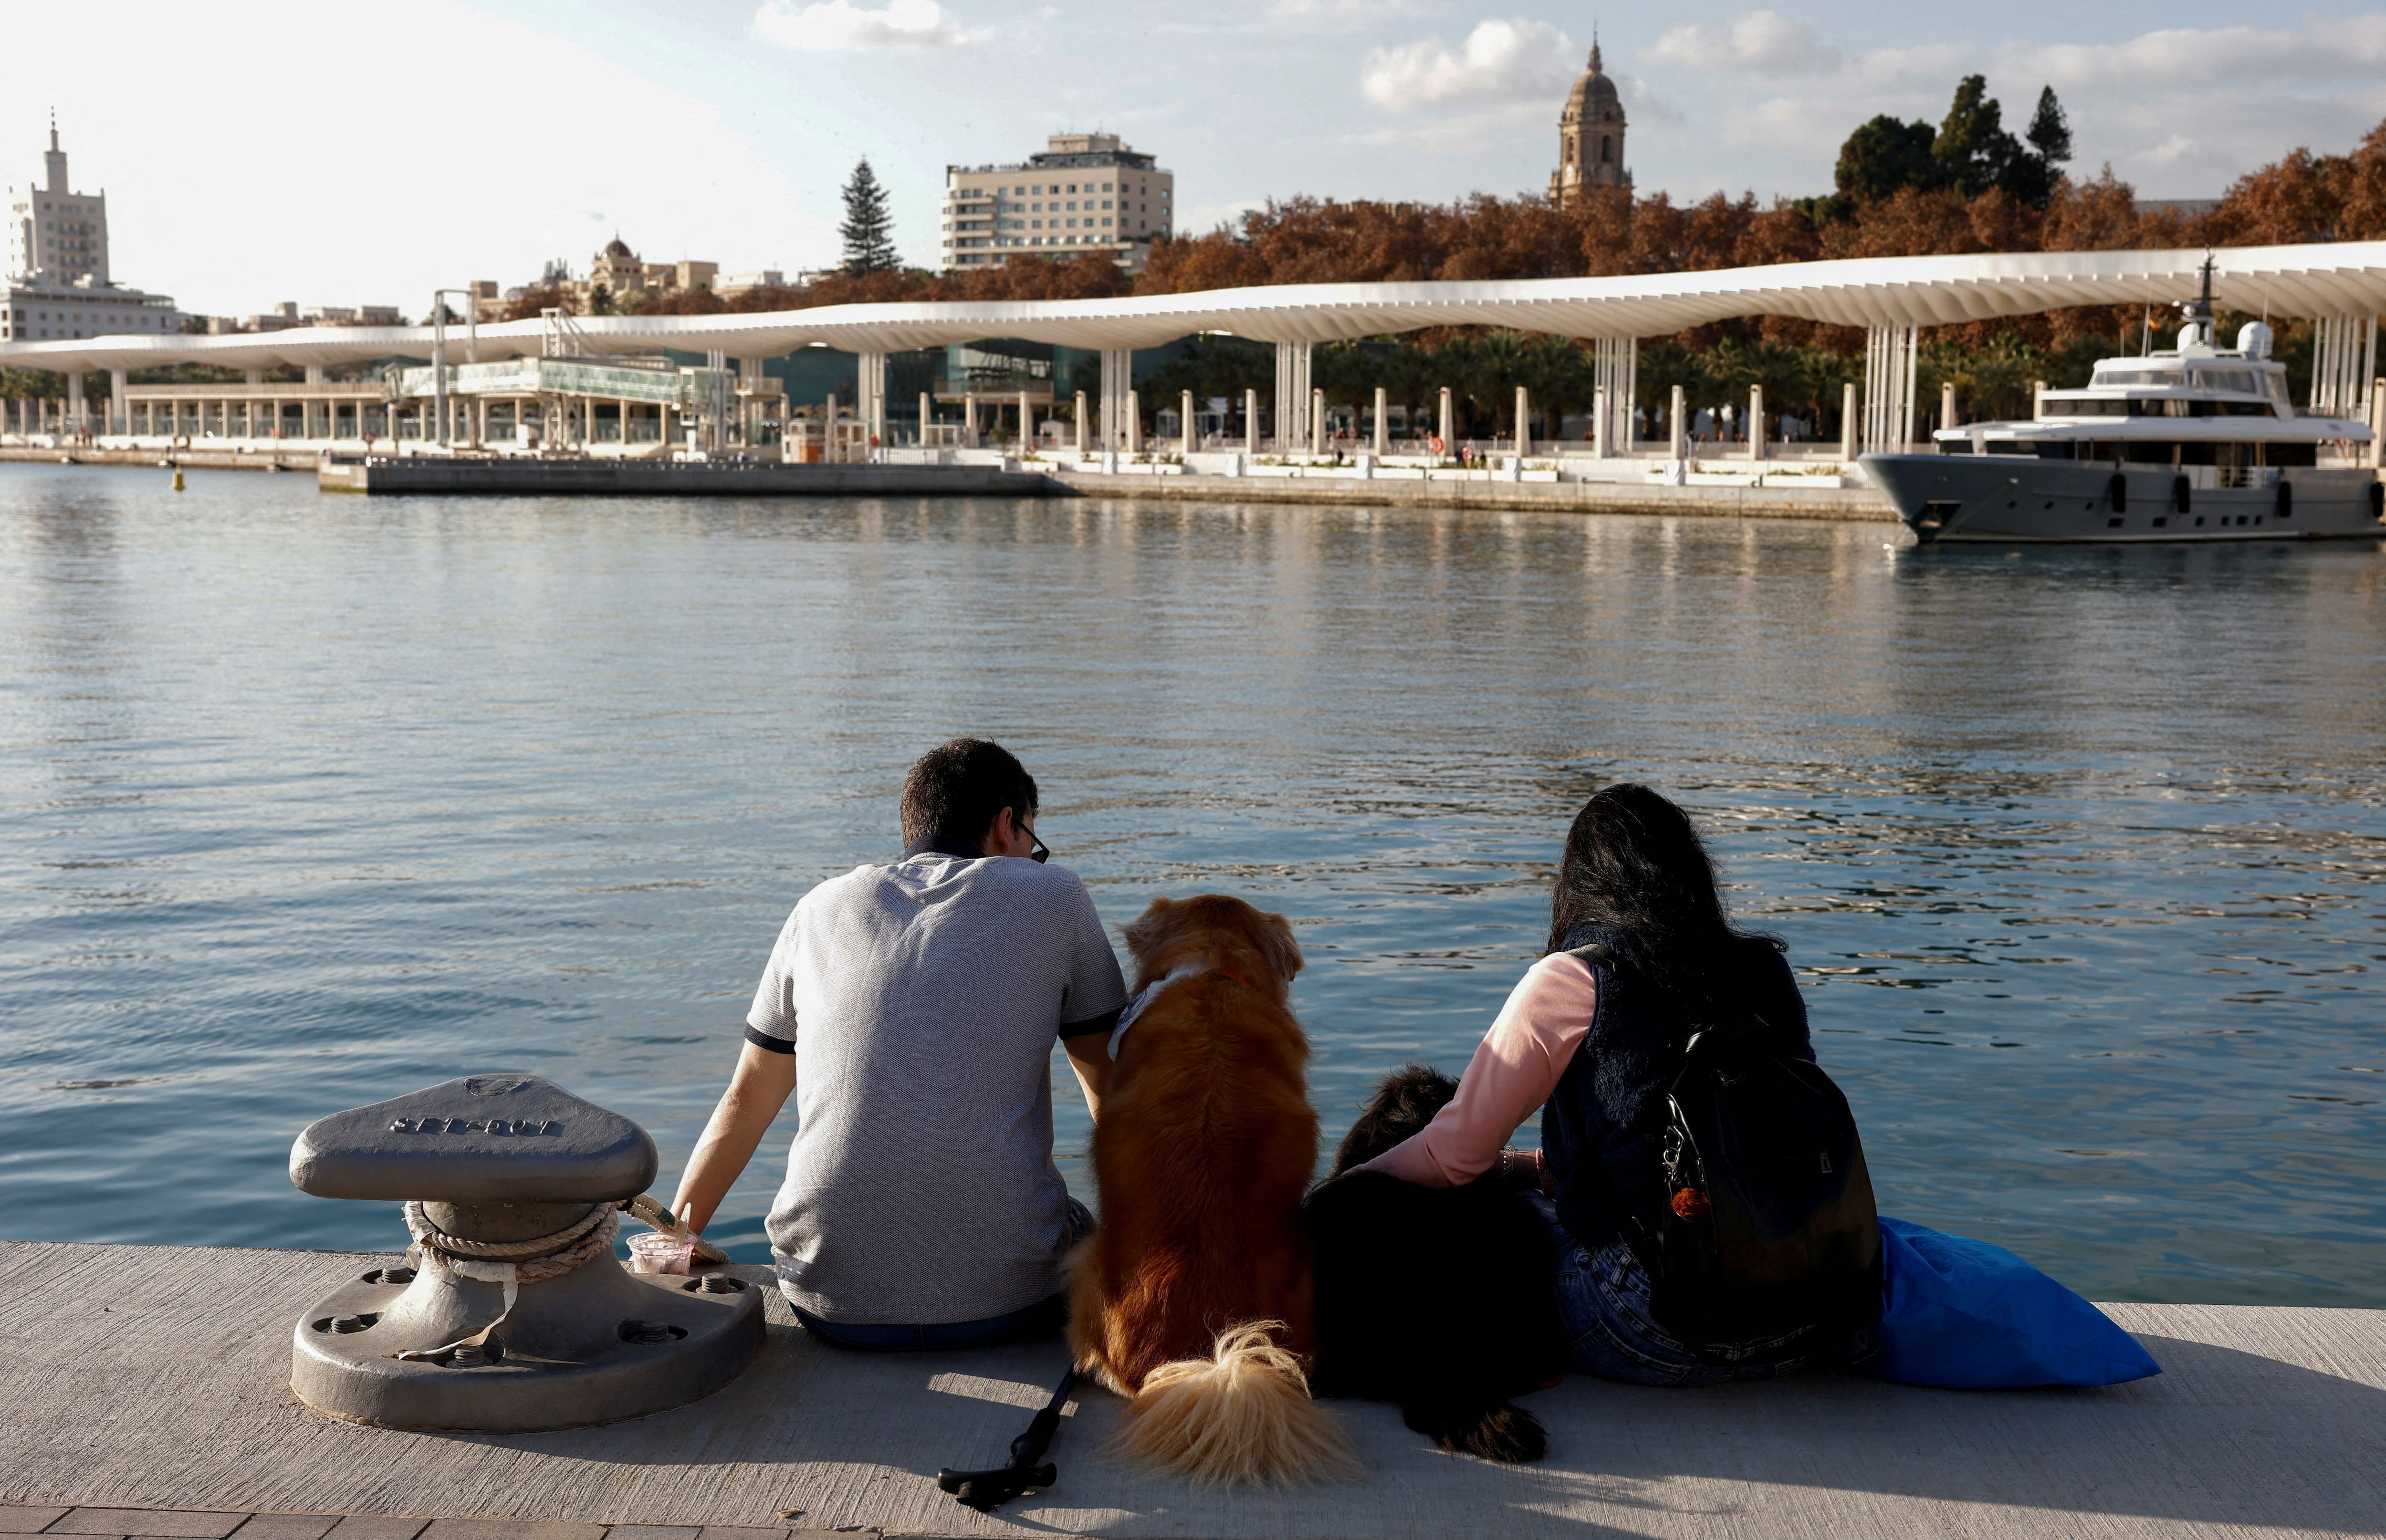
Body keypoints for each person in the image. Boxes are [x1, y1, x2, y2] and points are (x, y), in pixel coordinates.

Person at [1356, 783, 1825, 1386]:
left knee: (1465, 1224)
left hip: (1653, 1323)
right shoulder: (1764, 970)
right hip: (1806, 1313)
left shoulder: (1577, 975)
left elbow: (1451, 1157)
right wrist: (1520, 1166)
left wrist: (1335, 1193)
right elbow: (1714, 1143)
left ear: (1582, 880)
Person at [670, 739, 1129, 1350]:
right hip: (1007, 1304)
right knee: (1080, 1225)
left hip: (825, 1302)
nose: (1030, 860)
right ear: (1004, 826)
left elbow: (745, 1100)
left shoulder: (817, 909)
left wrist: (676, 1242)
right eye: (1031, 846)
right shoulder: (1055, 897)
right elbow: (1113, 1100)